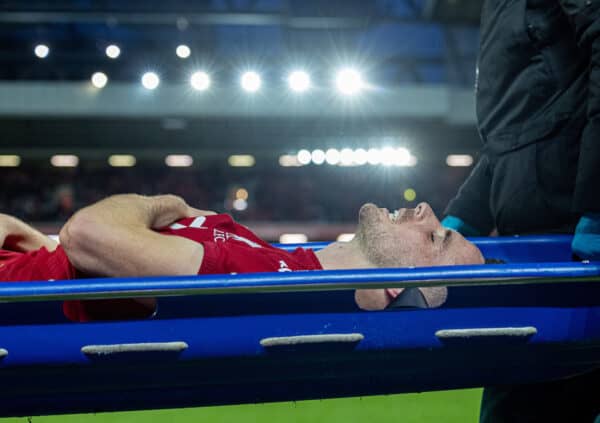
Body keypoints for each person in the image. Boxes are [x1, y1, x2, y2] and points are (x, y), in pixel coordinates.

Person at [441, 0, 600, 421]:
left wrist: (597, 205)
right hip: (542, 244)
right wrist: (465, 215)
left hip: (574, 241)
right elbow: (524, 123)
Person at [0, 194, 484, 321]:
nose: (426, 211)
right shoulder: (283, 264)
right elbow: (59, 253)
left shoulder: (263, 281)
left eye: (435, 237)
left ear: (399, 289)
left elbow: (84, 234)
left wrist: (161, 203)